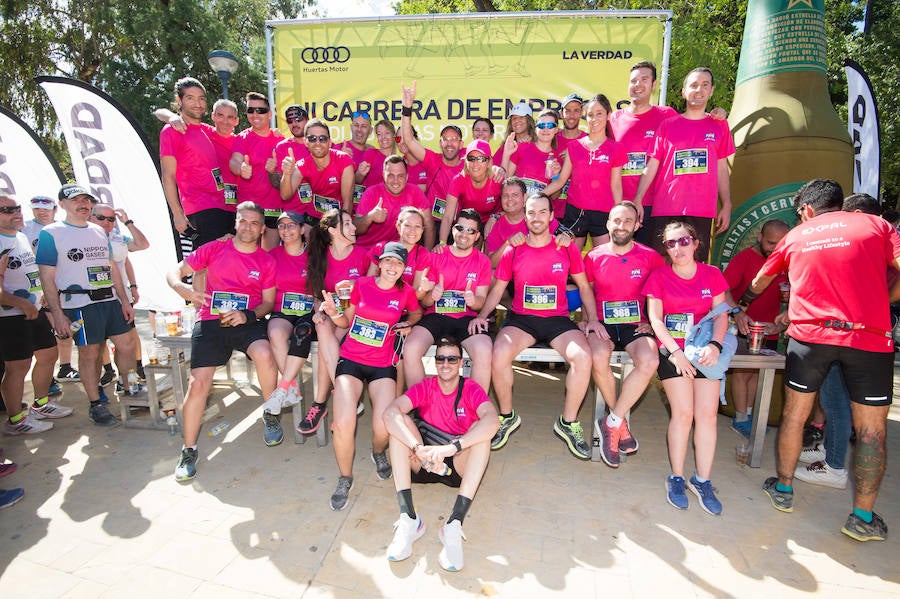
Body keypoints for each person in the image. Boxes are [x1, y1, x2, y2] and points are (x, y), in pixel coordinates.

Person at [750, 180, 899, 542]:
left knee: (795, 415)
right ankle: (862, 517)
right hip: (869, 336)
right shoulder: (875, 224)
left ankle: (783, 490)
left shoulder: (797, 235)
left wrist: (745, 298)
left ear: (808, 210)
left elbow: (759, 280)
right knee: (871, 431)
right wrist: (887, 297)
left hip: (810, 337)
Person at [468, 193, 601, 460]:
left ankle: (568, 422)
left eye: (542, 212)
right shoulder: (513, 249)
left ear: (552, 217)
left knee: (584, 357)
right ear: (525, 217)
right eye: (531, 213)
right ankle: (507, 416)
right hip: (522, 320)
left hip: (558, 320)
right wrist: (482, 315)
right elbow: (498, 289)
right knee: (499, 353)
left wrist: (594, 318)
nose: (536, 217)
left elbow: (584, 286)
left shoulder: (566, 247)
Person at [166, 201, 279, 482]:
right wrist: (184, 288)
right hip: (211, 321)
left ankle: (271, 412)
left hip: (246, 321)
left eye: (255, 223)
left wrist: (247, 315)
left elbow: (267, 303)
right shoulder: (215, 248)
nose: (248, 227)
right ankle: (188, 449)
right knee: (198, 383)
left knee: (265, 354)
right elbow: (174, 272)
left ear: (263, 228)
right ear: (235, 222)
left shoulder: (266, 260)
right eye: (243, 221)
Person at [319, 241, 422, 510]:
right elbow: (346, 322)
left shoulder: (406, 292)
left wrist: (408, 324)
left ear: (404, 268)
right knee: (343, 423)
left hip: (382, 365)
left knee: (383, 426)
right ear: (380, 262)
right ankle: (345, 476)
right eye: (388, 261)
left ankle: (378, 452)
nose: (392, 267)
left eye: (398, 263)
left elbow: (417, 311)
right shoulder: (361, 285)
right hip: (351, 359)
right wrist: (334, 313)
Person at [382, 337, 498, 571]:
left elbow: (493, 421)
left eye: (452, 359)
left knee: (483, 438)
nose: (445, 363)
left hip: (455, 463)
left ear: (460, 363)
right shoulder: (426, 386)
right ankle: (409, 518)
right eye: (441, 358)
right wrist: (417, 448)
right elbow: (390, 413)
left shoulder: (471, 389)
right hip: (422, 461)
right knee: (397, 425)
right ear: (435, 362)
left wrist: (452, 448)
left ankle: (454, 524)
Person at [644, 221, 729, 515]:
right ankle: (677, 477)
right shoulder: (658, 277)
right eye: (670, 243)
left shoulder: (712, 274)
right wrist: (676, 353)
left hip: (705, 350)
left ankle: (702, 480)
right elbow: (655, 320)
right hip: (674, 351)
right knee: (684, 413)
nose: (677, 248)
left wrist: (715, 346)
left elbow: (721, 315)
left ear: (695, 243)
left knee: (707, 416)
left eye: (682, 241)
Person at [35, 184, 137, 427]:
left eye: (86, 200)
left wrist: (124, 300)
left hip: (109, 299)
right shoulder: (51, 233)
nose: (83, 205)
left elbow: (112, 267)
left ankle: (129, 388)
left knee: (127, 344)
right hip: (80, 302)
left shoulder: (99, 231)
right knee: (89, 352)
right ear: (61, 204)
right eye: (76, 200)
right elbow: (46, 277)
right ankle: (95, 404)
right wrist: (57, 313)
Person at [585, 202, 664, 468]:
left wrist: (654, 324)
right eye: (616, 220)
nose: (621, 226)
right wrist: (589, 321)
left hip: (636, 324)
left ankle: (613, 421)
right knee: (597, 355)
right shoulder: (593, 256)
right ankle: (619, 423)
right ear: (608, 223)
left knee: (650, 361)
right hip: (602, 323)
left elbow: (661, 294)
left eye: (627, 221)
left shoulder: (651, 257)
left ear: (637, 225)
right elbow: (585, 294)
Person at [632, 67, 735, 260]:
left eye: (705, 85)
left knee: (695, 268)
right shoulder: (667, 125)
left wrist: (727, 204)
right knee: (663, 267)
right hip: (666, 208)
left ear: (711, 90)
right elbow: (652, 165)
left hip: (702, 210)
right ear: (684, 91)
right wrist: (638, 198)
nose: (699, 90)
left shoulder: (719, 125)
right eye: (694, 85)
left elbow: (722, 167)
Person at [1, 195, 72, 435]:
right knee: (17, 367)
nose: (16, 212)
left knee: (49, 354)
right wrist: (20, 303)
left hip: (33, 309)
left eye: (16, 208)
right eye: (7, 210)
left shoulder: (19, 236)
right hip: (10, 316)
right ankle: (15, 419)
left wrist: (39, 296)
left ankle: (41, 404)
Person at [296, 209, 371, 434]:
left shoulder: (364, 255)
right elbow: (318, 295)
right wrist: (319, 310)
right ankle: (341, 392)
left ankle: (320, 404)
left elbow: (371, 293)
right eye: (347, 224)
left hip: (357, 316)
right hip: (333, 315)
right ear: (333, 231)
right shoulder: (320, 255)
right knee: (321, 325)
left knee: (327, 341)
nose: (354, 227)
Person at [404, 209, 493, 392]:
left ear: (477, 236)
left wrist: (472, 300)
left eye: (471, 231)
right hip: (436, 316)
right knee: (411, 348)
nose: (464, 234)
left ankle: (476, 409)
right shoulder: (435, 255)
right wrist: (432, 295)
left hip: (466, 319)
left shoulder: (482, 261)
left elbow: (481, 301)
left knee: (485, 349)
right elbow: (425, 303)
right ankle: (420, 406)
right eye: (460, 228)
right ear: (453, 229)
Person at [724, 219, 789, 437]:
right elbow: (723, 290)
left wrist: (780, 323)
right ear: (759, 238)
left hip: (768, 329)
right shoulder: (744, 259)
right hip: (742, 327)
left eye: (780, 245)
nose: (775, 250)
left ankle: (750, 417)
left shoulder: (787, 261)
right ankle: (740, 418)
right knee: (743, 373)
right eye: (771, 243)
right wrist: (738, 312)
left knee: (756, 374)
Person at [159, 77, 235, 248]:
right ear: (179, 100)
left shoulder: (208, 131)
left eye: (201, 98)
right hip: (201, 208)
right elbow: (168, 175)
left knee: (223, 265)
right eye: (190, 98)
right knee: (204, 265)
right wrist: (177, 213)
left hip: (226, 207)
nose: (198, 104)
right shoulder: (172, 131)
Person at [544, 94, 626, 249]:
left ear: (608, 115)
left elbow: (616, 186)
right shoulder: (574, 146)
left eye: (599, 114)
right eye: (590, 115)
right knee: (568, 260)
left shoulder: (616, 148)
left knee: (603, 261)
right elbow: (561, 181)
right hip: (576, 212)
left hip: (604, 213)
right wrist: (539, 195)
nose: (594, 119)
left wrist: (620, 214)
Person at [609, 61, 678, 241]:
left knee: (650, 261)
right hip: (620, 205)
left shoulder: (667, 115)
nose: (638, 85)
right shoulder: (615, 118)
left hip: (654, 205)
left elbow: (693, 124)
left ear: (654, 85)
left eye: (644, 79)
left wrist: (716, 117)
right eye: (633, 81)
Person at [90, 204, 150, 391]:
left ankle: (127, 383)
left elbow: (141, 245)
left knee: (127, 344)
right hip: (95, 300)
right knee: (97, 347)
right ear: (90, 217)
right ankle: (99, 386)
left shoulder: (117, 236)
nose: (106, 222)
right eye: (101, 218)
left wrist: (127, 222)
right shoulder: (83, 237)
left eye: (110, 219)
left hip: (121, 298)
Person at [21, 195, 78, 388]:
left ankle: (65, 366)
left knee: (65, 330)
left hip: (61, 286)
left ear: (55, 208)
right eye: (36, 208)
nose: (41, 211)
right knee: (45, 337)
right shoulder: (25, 228)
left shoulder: (62, 228)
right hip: (34, 290)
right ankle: (48, 378)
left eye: (45, 208)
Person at [264, 211, 313, 413]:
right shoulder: (272, 255)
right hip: (282, 309)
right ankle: (292, 387)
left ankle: (283, 388)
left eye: (291, 225)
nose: (286, 230)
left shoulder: (314, 255)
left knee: (301, 333)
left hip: (308, 311)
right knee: (275, 333)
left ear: (302, 229)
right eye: (282, 226)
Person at [400, 83, 465, 227]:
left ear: (461, 144)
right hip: (432, 224)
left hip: (459, 226)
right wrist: (407, 109)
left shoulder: (468, 163)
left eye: (454, 139)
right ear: (440, 143)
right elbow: (408, 140)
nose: (449, 143)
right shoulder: (432, 159)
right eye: (445, 139)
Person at [229, 92, 284, 250]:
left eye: (260, 110)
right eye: (250, 110)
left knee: (269, 258)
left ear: (269, 114)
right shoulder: (242, 138)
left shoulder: (280, 139)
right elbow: (234, 160)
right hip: (249, 209)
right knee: (248, 257)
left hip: (274, 208)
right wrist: (240, 168)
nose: (255, 114)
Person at [353, 154, 434, 250]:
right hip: (367, 251)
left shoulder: (415, 192)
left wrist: (427, 256)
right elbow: (355, 229)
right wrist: (370, 217)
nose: (396, 181)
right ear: (383, 175)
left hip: (398, 255)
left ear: (407, 177)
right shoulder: (371, 193)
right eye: (391, 176)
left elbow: (429, 226)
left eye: (400, 176)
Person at [279, 119, 355, 218]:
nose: (318, 143)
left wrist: (339, 229)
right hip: (315, 218)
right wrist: (287, 174)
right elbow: (285, 195)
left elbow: (347, 205)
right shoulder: (302, 165)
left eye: (322, 138)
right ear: (305, 142)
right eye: (312, 139)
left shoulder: (343, 160)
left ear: (330, 142)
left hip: (340, 218)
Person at [501, 109, 564, 217]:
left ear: (556, 130)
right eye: (541, 125)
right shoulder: (522, 147)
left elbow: (554, 196)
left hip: (537, 214)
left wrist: (555, 176)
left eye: (550, 125)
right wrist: (506, 153)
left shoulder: (557, 158)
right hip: (517, 212)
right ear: (535, 128)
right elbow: (505, 179)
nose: (545, 129)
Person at [440, 140, 502, 243]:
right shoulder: (458, 180)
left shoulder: (497, 179)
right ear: (466, 161)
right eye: (471, 158)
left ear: (489, 161)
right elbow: (447, 216)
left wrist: (495, 217)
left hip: (493, 220)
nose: (475, 163)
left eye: (481, 159)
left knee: (492, 238)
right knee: (470, 243)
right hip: (469, 221)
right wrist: (442, 243)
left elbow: (513, 207)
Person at [272, 105, 311, 211]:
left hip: (317, 211)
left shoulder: (320, 143)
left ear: (307, 120)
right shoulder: (282, 147)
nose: (294, 124)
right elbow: (278, 185)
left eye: (298, 119)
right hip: (292, 212)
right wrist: (273, 172)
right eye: (290, 121)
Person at [357, 120, 398, 188]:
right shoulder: (371, 153)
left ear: (394, 135)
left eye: (387, 133)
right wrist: (360, 173)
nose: (383, 137)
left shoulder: (399, 160)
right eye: (379, 134)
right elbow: (357, 181)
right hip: (371, 197)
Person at [492, 101, 535, 166]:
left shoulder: (537, 144)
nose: (517, 121)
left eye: (521, 117)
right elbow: (492, 169)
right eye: (514, 118)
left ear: (529, 120)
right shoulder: (506, 146)